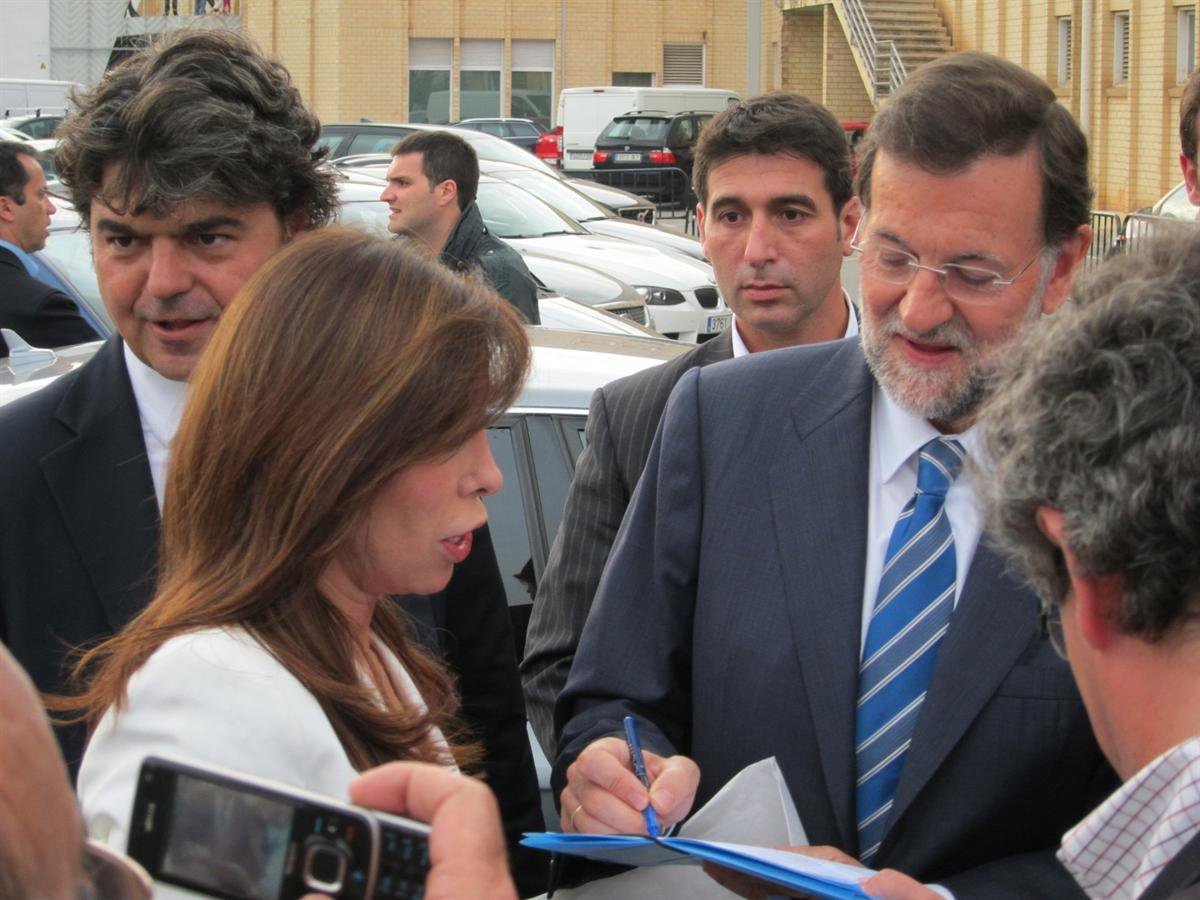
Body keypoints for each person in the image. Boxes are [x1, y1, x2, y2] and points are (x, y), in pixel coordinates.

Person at [553, 50, 1114, 895]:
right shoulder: (719, 421)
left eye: (972, 273)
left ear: (1064, 265)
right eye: (893, 257)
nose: (919, 309)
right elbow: (613, 697)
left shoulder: (1129, 481)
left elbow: (1157, 828)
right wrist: (613, 769)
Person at [0, 30, 544, 892]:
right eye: (123, 240)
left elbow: (484, 737)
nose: (161, 281)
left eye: (207, 237)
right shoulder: (13, 469)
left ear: (297, 232)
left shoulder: (403, 441)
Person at [61, 227, 529, 864]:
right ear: (329, 450)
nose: (489, 476)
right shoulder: (207, 689)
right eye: (449, 435)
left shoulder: (362, 639)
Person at [521, 91, 861, 755]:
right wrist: (620, 773)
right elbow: (565, 662)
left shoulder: (920, 399)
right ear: (701, 225)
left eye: (791, 214)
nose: (757, 249)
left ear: (849, 222)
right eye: (732, 216)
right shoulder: (637, 417)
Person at [381, 129, 540, 324]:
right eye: (389, 182)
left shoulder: (499, 274)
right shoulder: (390, 261)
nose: (386, 196)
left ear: (446, 191)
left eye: (402, 183)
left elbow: (508, 345)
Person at [0, 141, 98, 356]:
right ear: (6, 208)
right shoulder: (40, 307)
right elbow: (104, 370)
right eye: (41, 194)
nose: (51, 208)